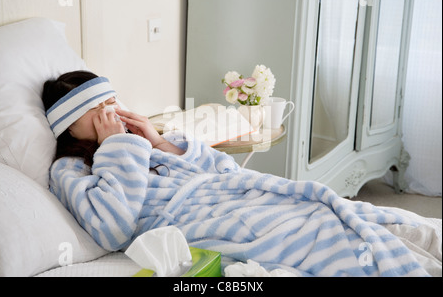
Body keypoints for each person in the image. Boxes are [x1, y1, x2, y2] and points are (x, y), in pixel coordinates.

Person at [42, 71, 431, 277]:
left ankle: (410, 244)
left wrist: (161, 143)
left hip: (236, 195)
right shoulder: (71, 170)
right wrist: (115, 147)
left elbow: (224, 168)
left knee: (344, 213)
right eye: (95, 111)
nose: (110, 113)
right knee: (322, 235)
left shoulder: (140, 142)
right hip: (202, 220)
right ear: (68, 128)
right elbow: (112, 228)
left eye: (112, 102)